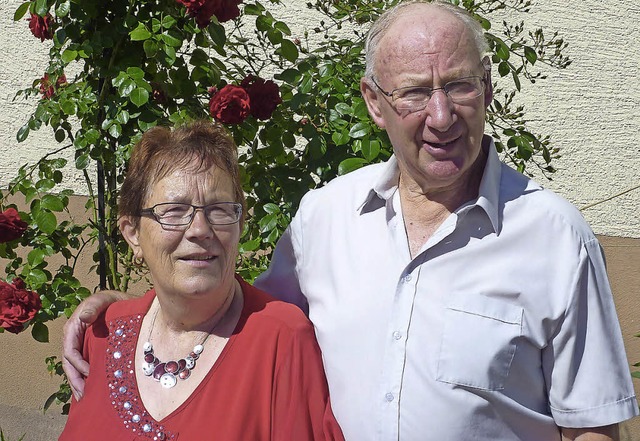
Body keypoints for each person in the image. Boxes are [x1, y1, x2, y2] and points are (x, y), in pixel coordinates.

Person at [63, 1, 639, 440]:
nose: (441, 116)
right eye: (415, 92)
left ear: (486, 88)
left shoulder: (555, 236)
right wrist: (127, 311)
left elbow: (591, 425)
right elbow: (232, 320)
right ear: (373, 101)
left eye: (460, 86)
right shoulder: (326, 217)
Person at [58, 120, 344, 440]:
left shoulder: (282, 337)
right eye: (174, 210)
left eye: (219, 209)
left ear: (240, 225)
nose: (199, 230)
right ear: (133, 233)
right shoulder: (102, 334)